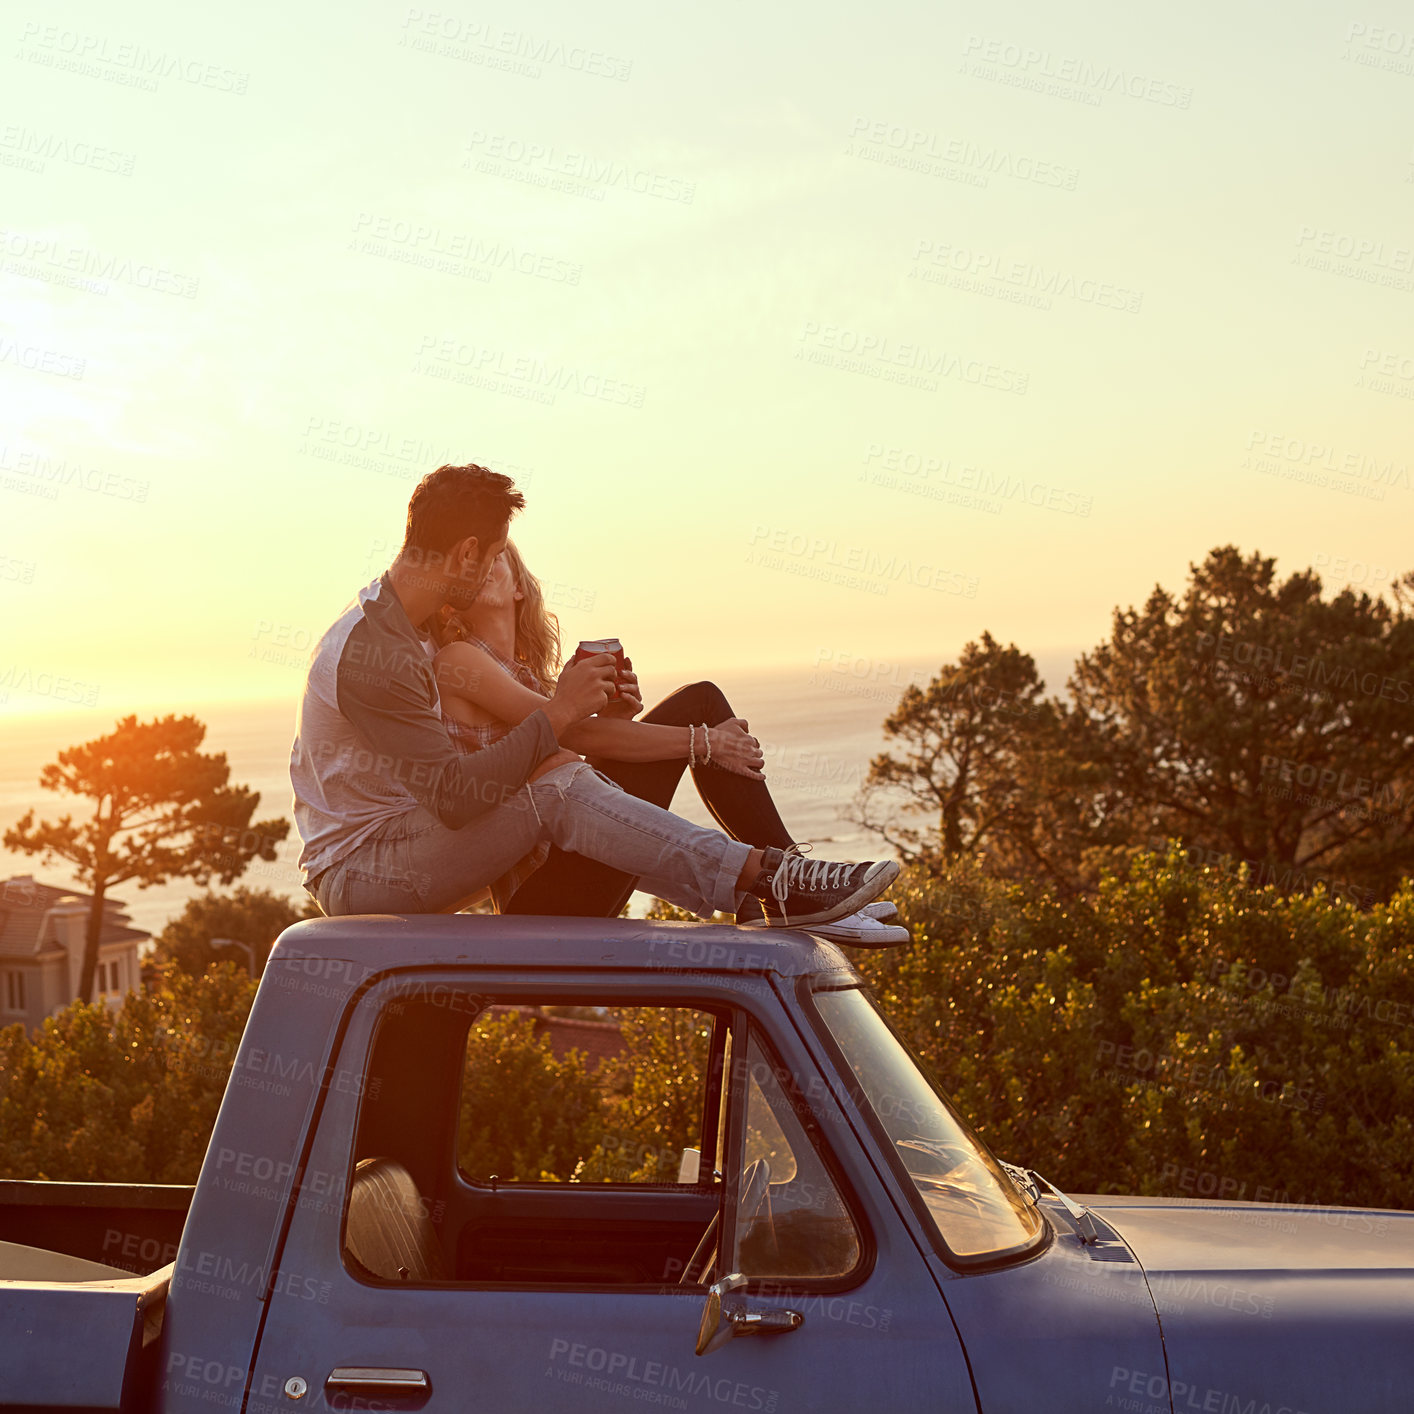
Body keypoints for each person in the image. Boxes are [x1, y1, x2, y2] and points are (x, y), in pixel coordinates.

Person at [290, 463, 900, 934]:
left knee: (555, 772)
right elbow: (453, 797)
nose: (498, 569)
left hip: (407, 842)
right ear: (467, 552)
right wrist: (559, 713)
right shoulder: (380, 650)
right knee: (553, 784)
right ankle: (769, 879)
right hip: (364, 871)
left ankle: (765, 885)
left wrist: (584, 718)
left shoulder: (407, 626)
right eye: (496, 554)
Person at [425, 538, 909, 945]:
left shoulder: (529, 678)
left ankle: (789, 892)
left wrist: (619, 716)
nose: (484, 567)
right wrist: (705, 743)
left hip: (574, 868)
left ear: (518, 585)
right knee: (698, 707)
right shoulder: (458, 660)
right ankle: (790, 886)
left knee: (701, 704)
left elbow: (581, 780)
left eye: (496, 556)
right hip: (537, 897)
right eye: (471, 564)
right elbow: (577, 735)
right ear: (452, 598)